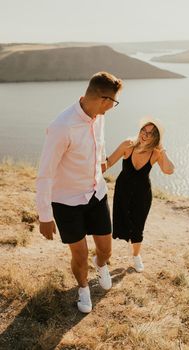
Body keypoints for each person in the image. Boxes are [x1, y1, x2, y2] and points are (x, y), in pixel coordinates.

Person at [36, 71, 123, 313]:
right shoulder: (61, 127)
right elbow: (45, 173)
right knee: (80, 254)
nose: (113, 107)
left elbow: (98, 152)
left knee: (105, 249)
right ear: (104, 99)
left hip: (96, 194)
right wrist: (45, 215)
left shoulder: (99, 116)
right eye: (114, 102)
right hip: (66, 202)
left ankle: (101, 265)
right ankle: (83, 288)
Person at [106, 117, 175, 272]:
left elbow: (169, 170)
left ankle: (136, 256)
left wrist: (162, 150)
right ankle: (106, 255)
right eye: (143, 130)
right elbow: (109, 162)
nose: (145, 134)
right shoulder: (127, 145)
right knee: (120, 223)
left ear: (156, 137)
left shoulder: (155, 153)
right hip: (122, 192)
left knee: (138, 227)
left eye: (150, 133)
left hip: (142, 195)